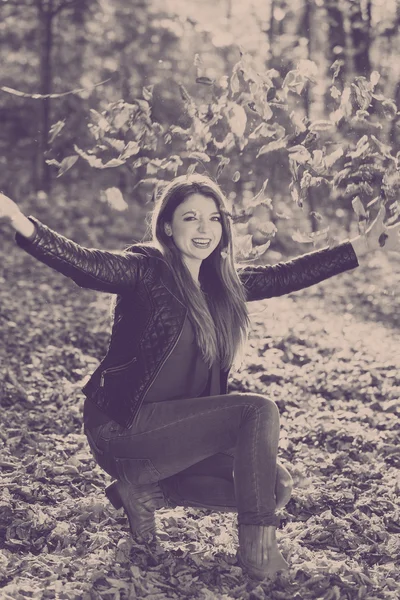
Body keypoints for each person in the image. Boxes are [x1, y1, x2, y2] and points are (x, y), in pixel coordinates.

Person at [0, 174, 399, 581]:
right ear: (168, 227)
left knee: (273, 486)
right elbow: (85, 264)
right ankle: (257, 550)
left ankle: (143, 490)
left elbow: (286, 274)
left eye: (214, 218)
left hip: (175, 437)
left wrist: (363, 246)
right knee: (256, 411)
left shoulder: (219, 284)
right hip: (122, 429)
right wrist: (18, 219)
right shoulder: (144, 271)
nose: (205, 229)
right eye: (191, 218)